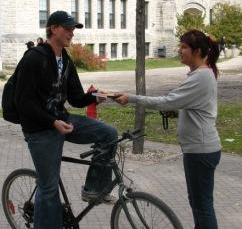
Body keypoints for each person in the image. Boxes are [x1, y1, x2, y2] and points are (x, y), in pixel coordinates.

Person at [15, 10, 117, 229]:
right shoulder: (34, 58)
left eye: (73, 29)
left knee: (109, 134)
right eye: (68, 28)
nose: (72, 33)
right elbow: (24, 103)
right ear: (54, 29)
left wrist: (98, 97)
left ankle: (93, 189)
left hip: (62, 120)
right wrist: (52, 123)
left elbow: (76, 98)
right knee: (49, 188)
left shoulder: (65, 60)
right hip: (40, 130)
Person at [114, 29, 221, 229]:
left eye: (184, 47)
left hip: (201, 150)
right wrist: (178, 112)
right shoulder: (202, 74)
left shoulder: (201, 77)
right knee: (199, 203)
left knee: (202, 206)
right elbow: (195, 107)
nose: (179, 50)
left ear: (197, 51)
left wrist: (131, 98)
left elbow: (166, 101)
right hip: (200, 149)